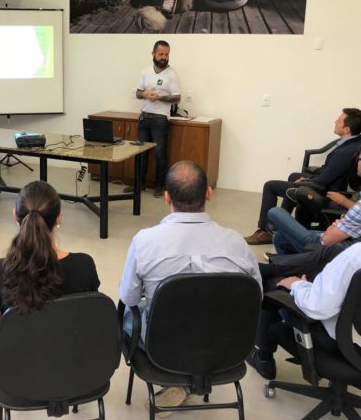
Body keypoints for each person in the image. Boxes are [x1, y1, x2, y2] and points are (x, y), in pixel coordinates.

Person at [119, 161, 262, 414]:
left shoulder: (145, 241)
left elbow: (129, 298)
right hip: (226, 345)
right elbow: (255, 297)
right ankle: (193, 380)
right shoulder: (237, 243)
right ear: (208, 192)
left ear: (166, 197)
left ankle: (179, 382)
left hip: (163, 347)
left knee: (123, 315)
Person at [0, 180, 99, 329]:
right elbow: (90, 313)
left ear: (15, 215)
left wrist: (16, 321)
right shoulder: (84, 266)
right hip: (72, 351)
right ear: (59, 217)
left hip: (20, 352)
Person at [245, 108, 361, 245]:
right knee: (293, 176)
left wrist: (306, 181)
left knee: (270, 186)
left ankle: (266, 231)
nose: (335, 121)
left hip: (325, 193)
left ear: (347, 129)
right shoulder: (354, 143)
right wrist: (304, 179)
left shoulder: (343, 153)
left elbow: (323, 181)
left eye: (339, 120)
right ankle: (278, 226)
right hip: (331, 184)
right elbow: (329, 171)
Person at [248, 243, 361, 380]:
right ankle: (271, 269)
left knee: (272, 284)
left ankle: (264, 359)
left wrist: (297, 284)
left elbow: (317, 307)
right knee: (334, 251)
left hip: (335, 343)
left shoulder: (355, 255)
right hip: (349, 334)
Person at [266, 153, 361, 255]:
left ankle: (267, 231)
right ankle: (290, 265)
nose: (357, 162)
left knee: (274, 212)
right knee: (279, 238)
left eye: (359, 159)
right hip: (344, 234)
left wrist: (341, 208)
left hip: (336, 246)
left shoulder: (346, 150)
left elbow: (327, 239)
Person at [126, 40, 180, 198]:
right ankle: (139, 184)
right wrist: (144, 94)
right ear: (153, 54)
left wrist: (159, 98)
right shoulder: (145, 72)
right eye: (161, 54)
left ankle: (160, 186)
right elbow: (137, 93)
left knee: (159, 153)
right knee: (141, 152)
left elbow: (177, 98)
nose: (164, 57)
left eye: (167, 54)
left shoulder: (172, 74)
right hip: (144, 117)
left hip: (160, 119)